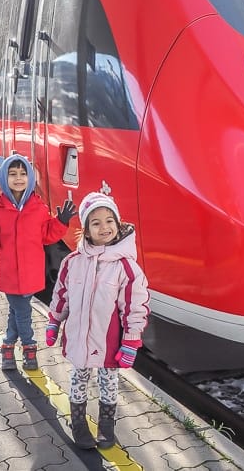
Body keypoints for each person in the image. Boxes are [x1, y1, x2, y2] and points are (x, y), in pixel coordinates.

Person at [45, 191, 150, 450]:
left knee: (108, 382)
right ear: (86, 231)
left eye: (109, 220)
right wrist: (53, 321)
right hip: (79, 338)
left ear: (118, 224)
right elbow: (61, 294)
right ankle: (79, 424)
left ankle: (106, 426)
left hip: (108, 341)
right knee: (78, 378)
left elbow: (135, 307)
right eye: (96, 222)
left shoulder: (127, 267)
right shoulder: (73, 262)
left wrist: (131, 342)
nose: (104, 227)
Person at [0, 153, 76, 370]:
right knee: (23, 313)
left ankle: (7, 346)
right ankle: (29, 348)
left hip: (31, 274)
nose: (18, 178)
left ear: (30, 178)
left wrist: (61, 222)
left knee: (16, 312)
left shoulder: (38, 208)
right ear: (4, 178)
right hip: (10, 274)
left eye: (23, 174)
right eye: (13, 174)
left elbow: (47, 235)